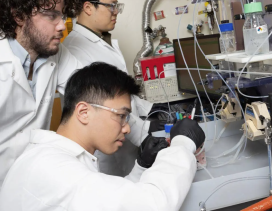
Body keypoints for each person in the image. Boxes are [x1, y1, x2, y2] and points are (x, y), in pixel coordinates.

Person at [0, 62, 206, 211]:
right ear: (83, 112)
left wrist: (141, 167)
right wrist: (183, 143)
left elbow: (107, 200)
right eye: (121, 116)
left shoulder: (54, 157)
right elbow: (152, 204)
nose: (126, 128)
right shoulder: (55, 170)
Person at [63, 0, 165, 176]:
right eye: (110, 5)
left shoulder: (104, 41)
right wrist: (145, 131)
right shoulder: (73, 50)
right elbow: (104, 104)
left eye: (117, 5)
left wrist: (153, 108)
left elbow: (121, 94)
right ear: (88, 7)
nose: (116, 11)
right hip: (108, 149)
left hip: (124, 136)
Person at [0, 0, 81, 190]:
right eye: (51, 15)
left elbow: (90, 89)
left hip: (33, 180)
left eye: (62, 15)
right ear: (19, 16)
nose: (62, 25)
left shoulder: (56, 53)